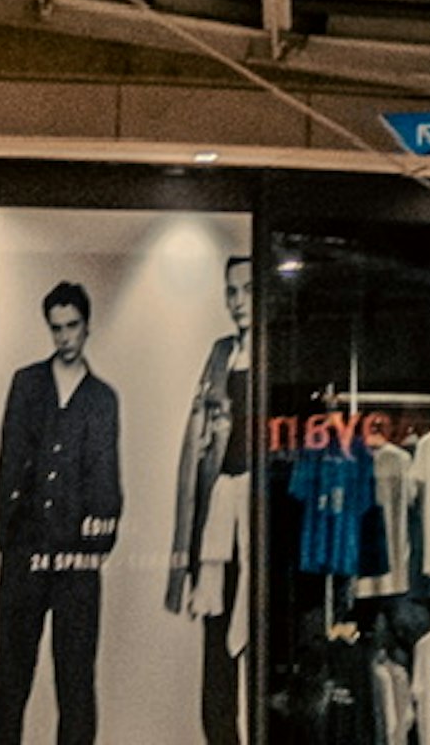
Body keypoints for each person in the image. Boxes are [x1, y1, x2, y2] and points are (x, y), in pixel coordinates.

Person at [0, 283, 126, 745]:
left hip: (76, 561)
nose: (65, 337)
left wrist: (94, 545)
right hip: (26, 551)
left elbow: (107, 476)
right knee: (11, 670)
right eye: (56, 328)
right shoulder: (27, 383)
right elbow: (9, 459)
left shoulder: (102, 398)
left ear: (87, 327)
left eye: (72, 327)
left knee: (75, 678)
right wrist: (9, 537)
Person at [165, 242, 256, 745]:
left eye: (247, 290)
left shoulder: (275, 348)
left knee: (258, 628)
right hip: (220, 504)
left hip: (262, 510)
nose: (238, 302)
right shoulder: (221, 353)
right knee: (216, 633)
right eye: (231, 293)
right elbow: (194, 444)